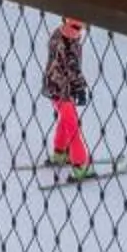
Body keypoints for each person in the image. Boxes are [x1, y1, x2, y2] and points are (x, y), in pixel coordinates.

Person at [43, 16, 94, 178]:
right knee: (73, 127)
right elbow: (73, 70)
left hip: (52, 87)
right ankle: (80, 165)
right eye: (74, 27)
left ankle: (60, 152)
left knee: (65, 120)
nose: (76, 32)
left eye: (79, 28)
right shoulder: (70, 44)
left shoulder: (57, 34)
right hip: (63, 91)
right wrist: (79, 89)